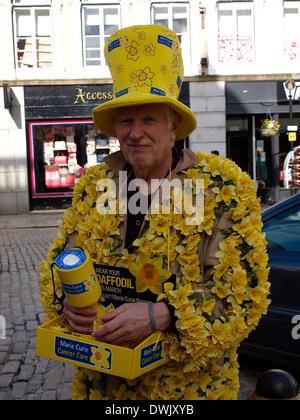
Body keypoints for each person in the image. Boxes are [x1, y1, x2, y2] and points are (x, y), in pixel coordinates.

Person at [39, 25, 270, 400]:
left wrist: (162, 315)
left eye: (148, 119)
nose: (135, 133)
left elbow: (245, 297)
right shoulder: (97, 184)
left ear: (173, 125)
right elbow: (59, 264)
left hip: (188, 391)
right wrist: (67, 302)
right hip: (105, 387)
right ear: (115, 127)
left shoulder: (222, 187)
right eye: (126, 121)